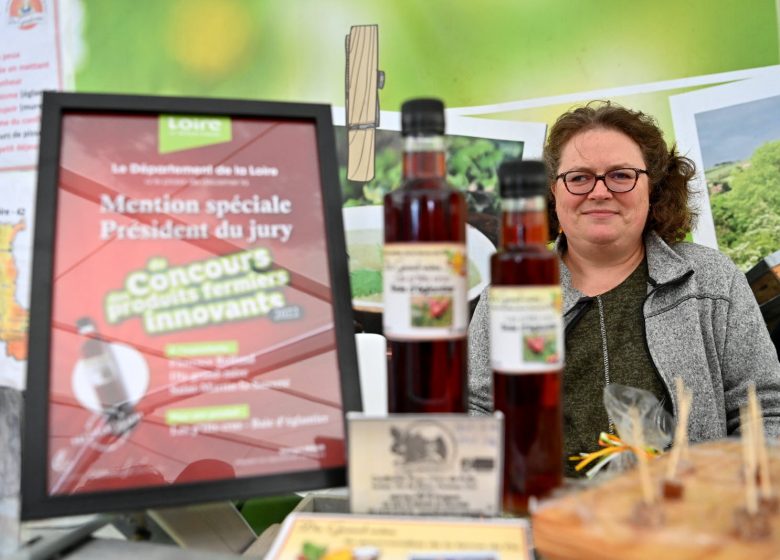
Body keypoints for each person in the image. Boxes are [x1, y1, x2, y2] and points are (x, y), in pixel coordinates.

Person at [468, 101, 780, 473]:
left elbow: (764, 410)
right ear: (555, 192)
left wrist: (726, 497)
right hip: (547, 519)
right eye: (579, 177)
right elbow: (476, 411)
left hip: (684, 522)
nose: (599, 191)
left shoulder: (711, 279)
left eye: (620, 175)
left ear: (653, 187)